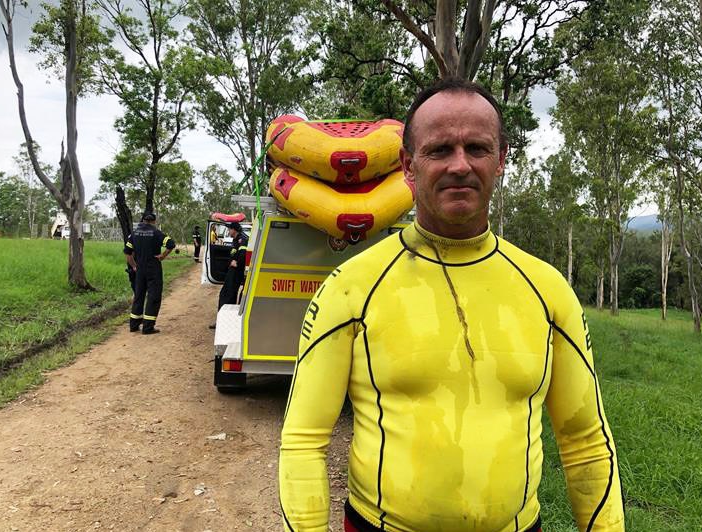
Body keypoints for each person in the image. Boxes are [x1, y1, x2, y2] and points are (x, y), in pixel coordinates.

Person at [279, 78, 625, 532]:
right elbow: (304, 441)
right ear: (408, 165)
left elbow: (585, 443)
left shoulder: (548, 289)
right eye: (439, 149)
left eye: (477, 148)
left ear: (501, 160)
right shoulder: (351, 287)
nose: (460, 165)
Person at [124, 212, 176, 335]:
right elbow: (171, 244)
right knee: (153, 296)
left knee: (139, 295)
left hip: (140, 269)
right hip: (153, 268)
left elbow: (127, 253)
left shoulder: (134, 234)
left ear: (142, 220)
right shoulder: (156, 233)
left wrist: (134, 266)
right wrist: (163, 256)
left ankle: (134, 325)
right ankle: (148, 327)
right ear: (153, 221)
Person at [209, 221, 248, 329]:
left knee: (227, 295)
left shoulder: (242, 239)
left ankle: (224, 322)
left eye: (229, 229)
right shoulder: (236, 240)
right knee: (226, 294)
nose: (229, 231)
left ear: (234, 229)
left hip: (236, 272)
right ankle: (223, 320)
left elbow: (244, 253)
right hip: (232, 272)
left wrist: (237, 263)